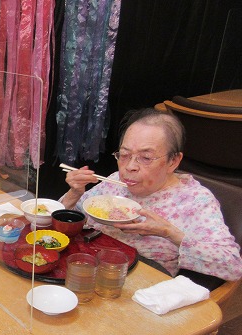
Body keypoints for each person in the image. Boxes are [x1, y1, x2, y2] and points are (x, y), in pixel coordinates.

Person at [60, 107, 242, 282]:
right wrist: (74, 194)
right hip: (87, 268)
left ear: (173, 161)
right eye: (124, 155)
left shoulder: (194, 200)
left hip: (141, 286)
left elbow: (233, 266)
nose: (130, 166)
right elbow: (61, 223)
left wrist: (169, 232)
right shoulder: (116, 181)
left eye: (146, 158)